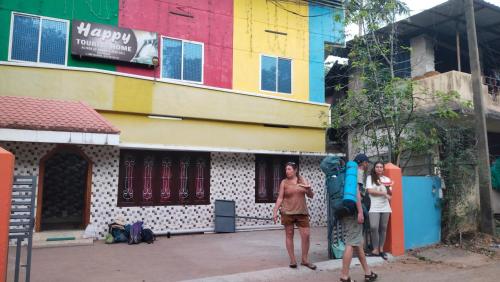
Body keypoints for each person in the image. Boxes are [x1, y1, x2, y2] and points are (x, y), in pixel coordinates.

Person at [340, 154, 377, 282]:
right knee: (351, 243)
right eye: (367, 162)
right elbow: (357, 192)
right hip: (354, 212)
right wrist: (360, 212)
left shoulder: (347, 172)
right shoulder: (358, 171)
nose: (368, 165)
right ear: (362, 163)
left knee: (358, 243)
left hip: (346, 209)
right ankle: (344, 276)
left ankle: (367, 273)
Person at [273, 162, 317, 270]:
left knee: (306, 235)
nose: (287, 171)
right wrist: (275, 211)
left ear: (295, 170)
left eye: (289, 169)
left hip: (302, 212)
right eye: (286, 169)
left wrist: (308, 189)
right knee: (289, 235)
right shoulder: (284, 182)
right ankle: (292, 260)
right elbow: (280, 198)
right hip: (287, 212)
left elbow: (311, 195)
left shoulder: (302, 180)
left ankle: (305, 260)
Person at [366, 161, 393, 260]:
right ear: (374, 168)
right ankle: (375, 249)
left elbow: (390, 194)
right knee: (373, 227)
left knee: (383, 228)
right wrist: (383, 193)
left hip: (385, 207)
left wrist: (387, 192)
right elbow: (370, 191)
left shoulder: (387, 179)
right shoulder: (370, 178)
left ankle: (380, 249)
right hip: (374, 206)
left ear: (383, 169)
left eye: (381, 167)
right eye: (377, 167)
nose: (379, 168)